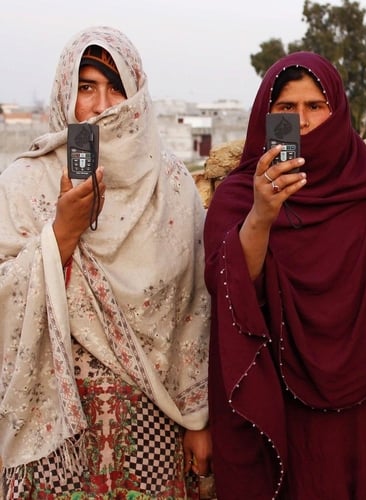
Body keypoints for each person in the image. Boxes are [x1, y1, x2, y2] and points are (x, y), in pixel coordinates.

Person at [0, 26, 211, 497]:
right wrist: (61, 235)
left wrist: (198, 418)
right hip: (55, 421)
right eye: (86, 87)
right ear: (64, 94)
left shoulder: (171, 188)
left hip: (152, 421)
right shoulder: (23, 183)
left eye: (116, 87)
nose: (102, 105)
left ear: (136, 95)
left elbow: (195, 306)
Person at [203, 51, 366, 499]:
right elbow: (229, 288)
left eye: (315, 106)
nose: (301, 121)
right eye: (286, 108)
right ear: (266, 115)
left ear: (336, 112)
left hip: (358, 409)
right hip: (274, 400)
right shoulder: (238, 195)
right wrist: (262, 214)